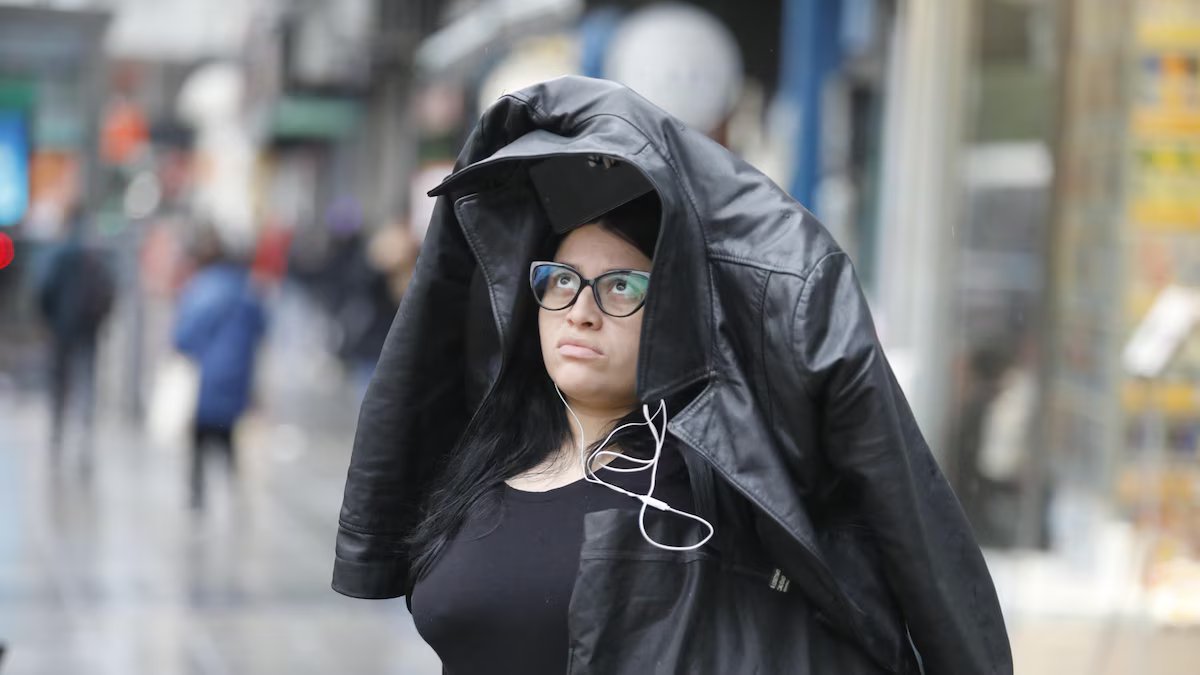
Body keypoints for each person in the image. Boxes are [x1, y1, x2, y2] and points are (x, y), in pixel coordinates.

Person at [333, 77, 1012, 674]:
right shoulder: (483, 465)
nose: (582, 311)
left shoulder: (715, 501)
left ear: (673, 313)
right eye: (561, 280)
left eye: (621, 287)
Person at [172, 229, 266, 510]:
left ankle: (197, 495)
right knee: (228, 436)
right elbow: (262, 328)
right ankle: (234, 493)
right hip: (237, 376)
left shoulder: (200, 290)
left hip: (205, 379)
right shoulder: (246, 290)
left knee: (199, 438)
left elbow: (183, 337)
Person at [37, 221, 115, 471]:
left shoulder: (58, 256)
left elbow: (44, 289)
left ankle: (58, 434)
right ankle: (83, 436)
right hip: (87, 331)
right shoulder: (95, 258)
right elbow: (110, 292)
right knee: (85, 384)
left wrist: (50, 320)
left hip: (62, 330)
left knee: (60, 384)